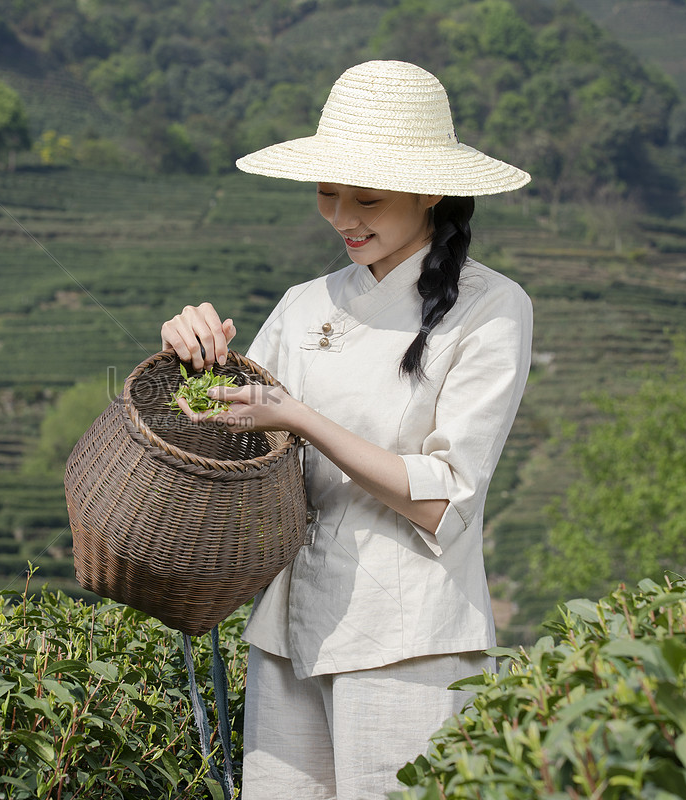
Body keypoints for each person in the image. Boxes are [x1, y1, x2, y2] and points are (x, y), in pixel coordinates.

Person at [159, 61, 534, 799]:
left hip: (408, 639)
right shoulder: (306, 304)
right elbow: (230, 437)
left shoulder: (491, 309)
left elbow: (443, 500)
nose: (342, 217)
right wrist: (191, 352)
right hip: (291, 628)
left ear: (431, 192)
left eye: (366, 198)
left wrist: (299, 416)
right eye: (328, 193)